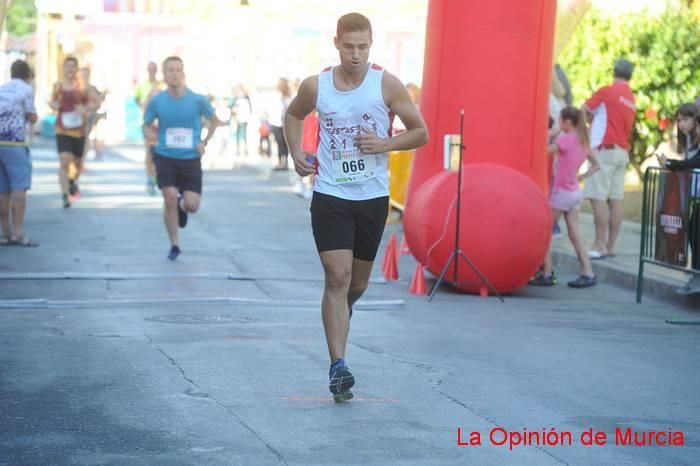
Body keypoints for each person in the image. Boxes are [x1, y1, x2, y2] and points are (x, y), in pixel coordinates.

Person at [284, 12, 428, 402]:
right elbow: (293, 114)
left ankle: (339, 316)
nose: (356, 54)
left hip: (372, 197)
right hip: (330, 193)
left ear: (371, 44)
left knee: (357, 284)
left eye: (363, 46)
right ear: (336, 43)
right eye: (349, 46)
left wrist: (386, 144)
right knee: (337, 275)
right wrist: (296, 151)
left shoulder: (387, 85)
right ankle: (338, 366)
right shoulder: (318, 86)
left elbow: (421, 132)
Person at [143, 56, 223, 261]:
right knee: (168, 196)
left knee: (192, 205)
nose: (175, 73)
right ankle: (174, 244)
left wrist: (204, 142)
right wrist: (152, 137)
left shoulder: (197, 100)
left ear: (184, 73)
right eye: (170, 70)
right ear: (164, 74)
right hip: (165, 156)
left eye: (178, 69)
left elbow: (215, 120)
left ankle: (181, 205)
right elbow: (146, 123)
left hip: (190, 159)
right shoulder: (157, 100)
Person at [530, 107, 600, 288]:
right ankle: (588, 272)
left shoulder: (566, 139)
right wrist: (580, 177)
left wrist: (550, 133)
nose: (559, 123)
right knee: (575, 234)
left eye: (560, 121)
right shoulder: (583, 140)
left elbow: (542, 151)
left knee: (543, 230)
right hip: (575, 192)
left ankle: (547, 272)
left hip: (562, 193)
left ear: (567, 122)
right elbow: (596, 165)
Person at [582, 58, 636, 260]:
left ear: (614, 71)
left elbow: (584, 109)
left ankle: (599, 245)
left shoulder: (607, 92)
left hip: (604, 150)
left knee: (598, 199)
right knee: (616, 199)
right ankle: (611, 246)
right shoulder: (631, 97)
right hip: (621, 151)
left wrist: (586, 128)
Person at [657, 108, 700, 294]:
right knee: (693, 232)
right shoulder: (689, 141)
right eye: (679, 120)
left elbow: (695, 163)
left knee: (696, 233)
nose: (681, 124)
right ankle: (697, 275)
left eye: (686, 120)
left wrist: (670, 164)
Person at [49, 56, 100, 208]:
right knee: (64, 160)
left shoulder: (83, 87)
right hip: (62, 129)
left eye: (73, 66)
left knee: (76, 165)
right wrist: (54, 105)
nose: (70, 69)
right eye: (67, 66)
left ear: (76, 69)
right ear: (63, 68)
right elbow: (52, 102)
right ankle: (65, 194)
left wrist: (86, 109)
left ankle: (72, 181)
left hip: (79, 130)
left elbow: (97, 102)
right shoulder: (58, 86)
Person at [0, 59, 38, 246]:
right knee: (18, 188)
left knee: (3, 190)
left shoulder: (2, 89)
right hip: (15, 143)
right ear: (27, 75)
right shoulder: (26, 89)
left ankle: (5, 233)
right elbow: (32, 116)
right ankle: (17, 232)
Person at [135, 62, 163, 195]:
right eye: (149, 69)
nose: (151, 71)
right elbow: (137, 100)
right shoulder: (142, 85)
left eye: (154, 69)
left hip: (162, 123)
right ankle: (150, 179)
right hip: (148, 123)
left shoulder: (162, 85)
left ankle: (159, 175)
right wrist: (144, 105)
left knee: (161, 152)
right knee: (149, 151)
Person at [230, 84, 252, 157]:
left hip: (244, 118)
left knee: (245, 135)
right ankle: (238, 149)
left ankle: (245, 149)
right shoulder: (236, 99)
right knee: (238, 134)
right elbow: (231, 108)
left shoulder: (246, 98)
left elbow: (250, 109)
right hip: (238, 118)